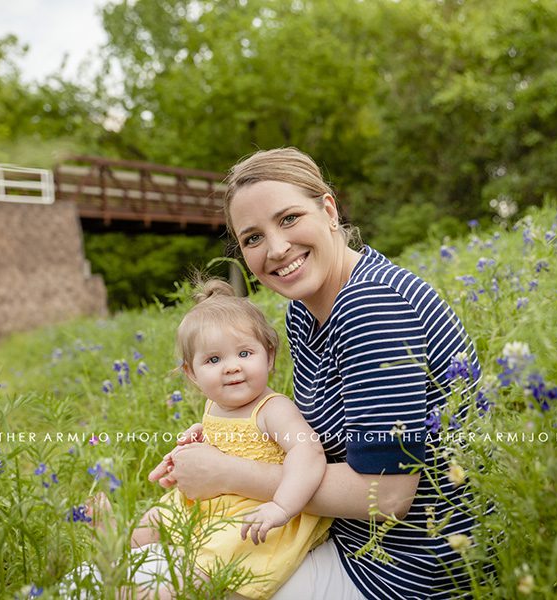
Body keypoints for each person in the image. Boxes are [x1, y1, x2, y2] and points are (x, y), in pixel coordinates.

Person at [148, 147, 485, 599]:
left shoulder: (374, 307)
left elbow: (386, 496)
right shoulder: (305, 311)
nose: (277, 248)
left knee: (146, 586)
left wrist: (226, 472)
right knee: (137, 568)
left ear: (328, 209)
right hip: (343, 541)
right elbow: (318, 439)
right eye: (252, 238)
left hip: (406, 571)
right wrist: (230, 435)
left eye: (288, 219)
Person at [87, 279, 331, 600]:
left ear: (269, 357)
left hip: (252, 510)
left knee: (213, 564)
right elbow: (228, 437)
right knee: (154, 520)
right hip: (208, 503)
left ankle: (154, 591)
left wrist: (282, 506)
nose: (231, 367)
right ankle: (116, 540)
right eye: (213, 360)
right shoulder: (213, 405)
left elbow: (308, 450)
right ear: (192, 374)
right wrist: (197, 438)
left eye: (245, 353)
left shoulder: (274, 409)